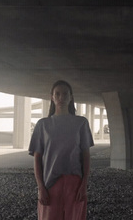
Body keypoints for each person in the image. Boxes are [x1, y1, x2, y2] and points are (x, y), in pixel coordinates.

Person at [29, 80, 94, 220]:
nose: (61, 98)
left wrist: (84, 185)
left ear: (71, 97)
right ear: (52, 97)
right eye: (57, 94)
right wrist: (40, 188)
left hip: (75, 184)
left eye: (65, 94)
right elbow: (37, 158)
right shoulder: (43, 125)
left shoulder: (81, 123)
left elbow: (86, 156)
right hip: (50, 185)